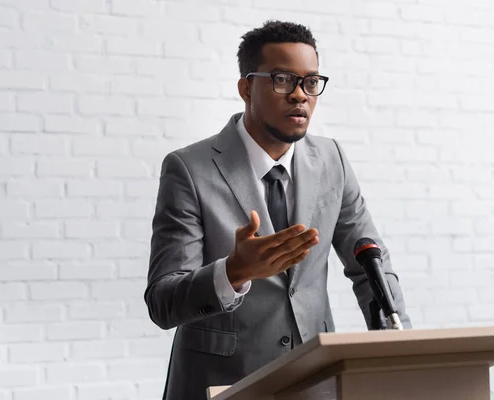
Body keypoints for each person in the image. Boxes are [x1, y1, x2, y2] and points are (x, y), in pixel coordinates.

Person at [144, 20, 411, 400]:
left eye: (311, 82)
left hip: (316, 381)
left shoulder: (332, 159)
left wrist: (399, 350)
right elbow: (162, 300)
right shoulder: (189, 169)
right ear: (246, 87)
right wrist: (233, 272)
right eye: (283, 80)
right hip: (222, 384)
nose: (300, 95)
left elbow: (371, 264)